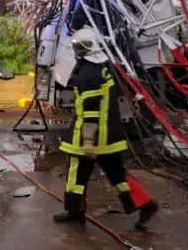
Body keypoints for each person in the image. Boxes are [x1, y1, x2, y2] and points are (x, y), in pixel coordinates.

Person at [53, 27, 159, 229]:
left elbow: (91, 110)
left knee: (76, 175)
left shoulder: (87, 74)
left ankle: (74, 212)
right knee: (117, 175)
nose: (76, 51)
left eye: (78, 47)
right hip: (110, 136)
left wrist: (88, 141)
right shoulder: (104, 67)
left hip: (90, 137)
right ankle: (144, 203)